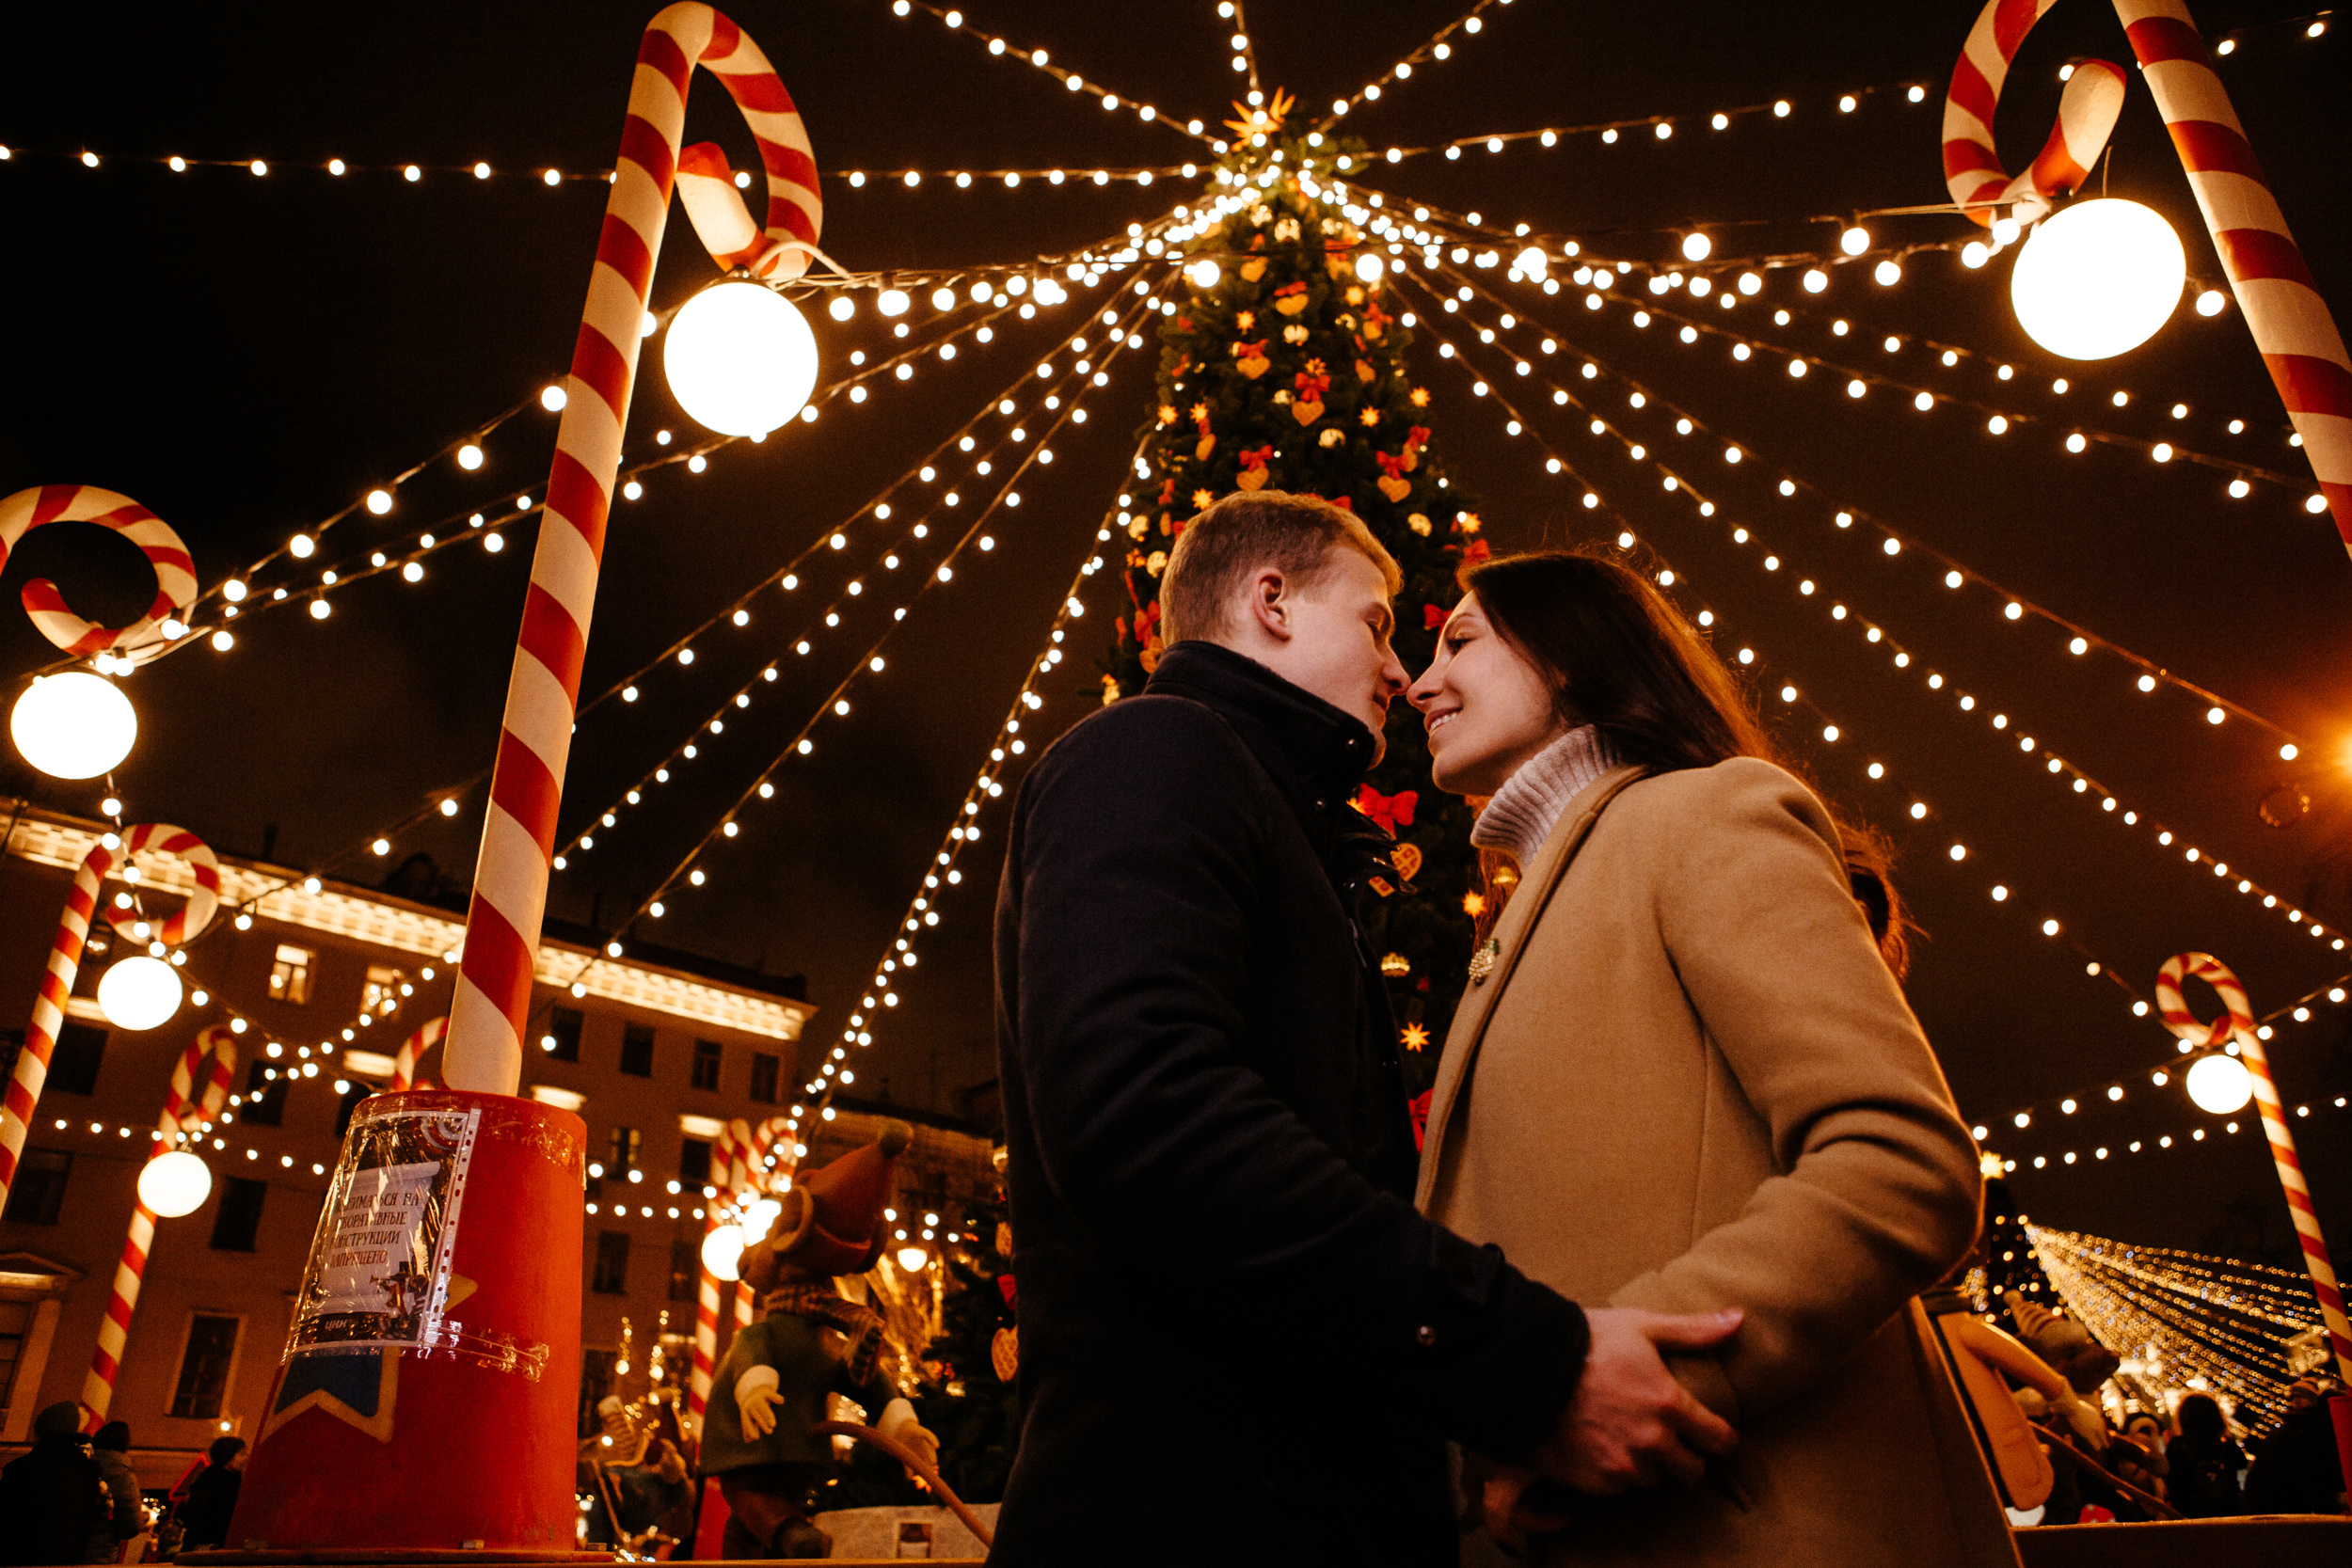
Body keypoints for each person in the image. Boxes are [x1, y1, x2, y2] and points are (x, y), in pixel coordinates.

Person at [992, 494, 1740, 1565]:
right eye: (1381, 622)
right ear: (1271, 603)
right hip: (1193, 1520)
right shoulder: (1156, 750)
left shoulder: (1264, 807)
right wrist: (1525, 1360)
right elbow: (1146, 1110)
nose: (1402, 672)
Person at [1406, 548, 1996, 1565]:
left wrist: (1620, 1369)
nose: (1420, 681)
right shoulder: (1519, 915)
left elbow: (1899, 1158)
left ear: (1570, 653)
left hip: (1766, 1526)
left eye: (1461, 639)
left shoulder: (1698, 814)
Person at [0, 1402, 111, 1567]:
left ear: (39, 1432)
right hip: (68, 1559)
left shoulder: (19, 1469)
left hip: (18, 1558)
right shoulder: (89, 1470)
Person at [2245, 1377, 2346, 1514]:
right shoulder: (2297, 1435)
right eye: (2293, 1397)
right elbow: (2309, 1480)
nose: (2297, 1401)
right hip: (2280, 1511)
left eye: (2301, 1396)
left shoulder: (2306, 1431)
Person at [174, 1436, 247, 1550]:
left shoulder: (234, 1482)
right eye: (242, 1454)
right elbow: (197, 1519)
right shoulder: (211, 1483)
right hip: (206, 1549)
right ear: (227, 1457)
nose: (246, 1458)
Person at [87, 1420, 144, 1562]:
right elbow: (131, 1527)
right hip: (101, 1555)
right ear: (125, 1446)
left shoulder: (77, 1468)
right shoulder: (125, 1478)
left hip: (65, 1550)